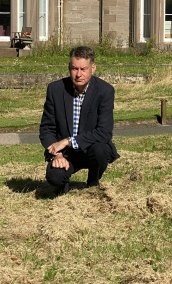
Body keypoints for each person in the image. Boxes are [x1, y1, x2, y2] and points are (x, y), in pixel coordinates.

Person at [39, 46, 120, 194]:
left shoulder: (105, 91)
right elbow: (46, 129)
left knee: (101, 149)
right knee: (54, 177)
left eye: (83, 69)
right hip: (65, 153)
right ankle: (62, 184)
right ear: (69, 67)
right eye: (74, 69)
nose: (78, 74)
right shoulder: (55, 89)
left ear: (93, 68)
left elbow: (104, 132)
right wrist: (57, 154)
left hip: (91, 149)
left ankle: (93, 183)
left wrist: (68, 141)